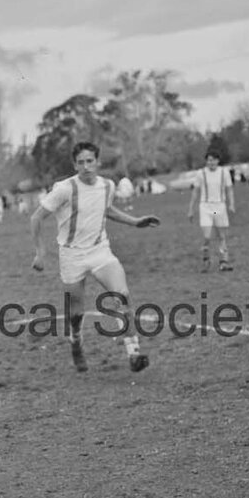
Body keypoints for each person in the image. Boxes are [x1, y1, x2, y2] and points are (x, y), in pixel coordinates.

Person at [30, 141, 160, 373]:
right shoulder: (64, 189)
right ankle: (76, 342)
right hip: (72, 255)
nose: (86, 166)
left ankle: (134, 354)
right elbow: (36, 218)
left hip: (100, 251)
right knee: (76, 313)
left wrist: (135, 221)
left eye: (90, 161)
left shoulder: (107, 186)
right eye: (81, 162)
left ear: (98, 162)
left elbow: (106, 210)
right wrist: (40, 252)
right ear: (75, 164)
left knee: (122, 296)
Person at [188, 149, 235, 272]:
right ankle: (206, 260)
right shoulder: (201, 173)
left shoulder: (224, 173)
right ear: (206, 161)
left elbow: (229, 189)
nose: (211, 162)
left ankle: (224, 262)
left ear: (218, 160)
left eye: (213, 160)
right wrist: (191, 209)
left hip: (219, 207)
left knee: (221, 236)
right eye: (209, 160)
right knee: (207, 236)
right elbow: (195, 191)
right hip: (206, 208)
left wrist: (232, 204)